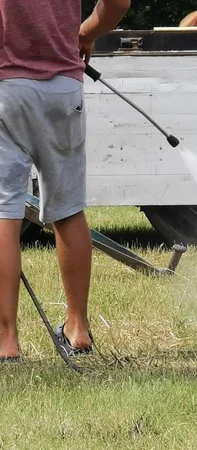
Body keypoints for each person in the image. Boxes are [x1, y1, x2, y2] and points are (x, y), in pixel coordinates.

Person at [0, 0, 131, 360]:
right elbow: (118, 2)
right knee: (68, 209)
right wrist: (86, 32)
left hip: (5, 87)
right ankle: (77, 330)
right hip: (62, 88)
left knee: (3, 212)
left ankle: (5, 341)